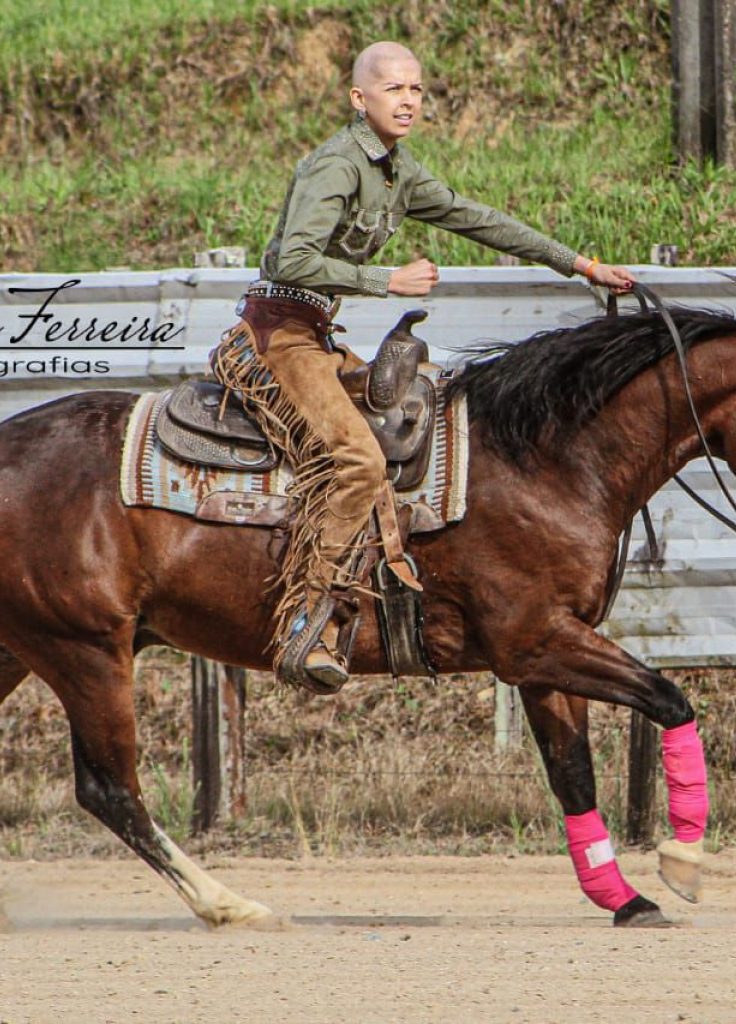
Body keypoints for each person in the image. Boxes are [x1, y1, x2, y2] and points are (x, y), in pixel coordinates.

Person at [212, 41, 636, 691]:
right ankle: (307, 619)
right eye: (393, 89)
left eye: (416, 89)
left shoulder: (398, 171)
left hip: (317, 333)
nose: (408, 100)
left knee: (418, 417)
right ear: (360, 98)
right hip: (278, 336)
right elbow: (291, 261)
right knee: (357, 458)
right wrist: (388, 279)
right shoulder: (335, 166)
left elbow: (477, 219)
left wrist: (578, 264)